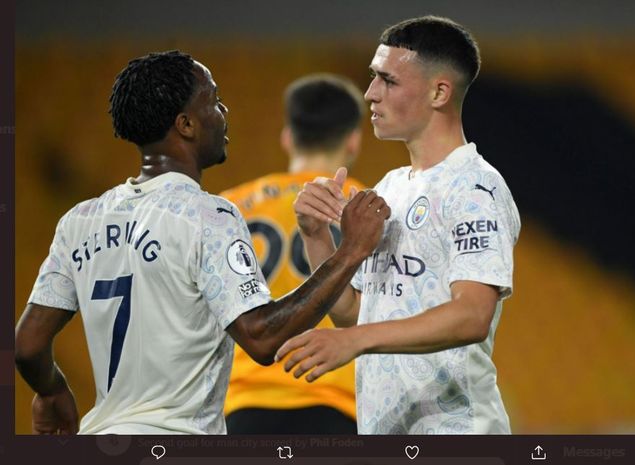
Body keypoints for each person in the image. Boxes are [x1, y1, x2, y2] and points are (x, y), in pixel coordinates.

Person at [14, 51, 390, 435]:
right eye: (213, 101)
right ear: (187, 124)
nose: (224, 112)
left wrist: (52, 392)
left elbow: (27, 345)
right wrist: (348, 253)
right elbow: (261, 337)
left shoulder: (79, 220)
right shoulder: (210, 215)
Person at [277, 16, 521, 434]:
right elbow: (355, 315)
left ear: (439, 91)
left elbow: (472, 314)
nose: (370, 93)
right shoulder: (390, 189)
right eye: (373, 78)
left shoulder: (476, 187)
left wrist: (354, 341)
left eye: (387, 80)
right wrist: (315, 233)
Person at [220, 74, 366, 434]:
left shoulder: (227, 208)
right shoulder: (371, 211)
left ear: (287, 136)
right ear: (353, 140)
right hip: (336, 401)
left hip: (243, 403)